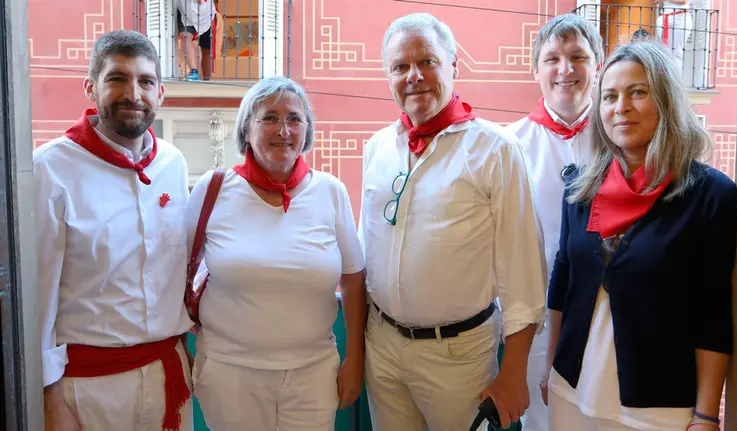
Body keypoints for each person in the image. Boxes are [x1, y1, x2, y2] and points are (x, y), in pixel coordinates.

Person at [359, 12, 547, 431]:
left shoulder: (496, 149)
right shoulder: (377, 148)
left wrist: (514, 372)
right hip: (383, 349)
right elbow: (365, 250)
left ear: (453, 66)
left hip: (458, 358)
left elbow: (524, 271)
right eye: (400, 66)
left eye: (427, 62)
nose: (414, 76)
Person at [546, 41, 736, 431]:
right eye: (610, 96)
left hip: (657, 407)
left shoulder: (709, 195)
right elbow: (561, 281)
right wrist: (552, 368)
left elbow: (713, 311)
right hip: (572, 390)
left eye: (638, 92)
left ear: (665, 99)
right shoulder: (579, 188)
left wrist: (705, 414)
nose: (621, 107)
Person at [186, 76, 367, 430]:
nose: (283, 129)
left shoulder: (331, 192)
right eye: (269, 118)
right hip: (229, 374)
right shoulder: (214, 188)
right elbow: (176, 271)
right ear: (246, 130)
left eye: (294, 118)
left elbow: (353, 277)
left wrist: (355, 360)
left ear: (307, 129)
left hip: (312, 375)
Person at [35, 30, 194, 431]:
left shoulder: (172, 164)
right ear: (91, 87)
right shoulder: (50, 168)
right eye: (117, 79)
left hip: (165, 377)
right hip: (86, 388)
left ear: (161, 94)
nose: (133, 93)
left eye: (145, 81)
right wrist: (48, 395)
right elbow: (36, 293)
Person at [504, 13, 604, 431]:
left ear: (597, 66)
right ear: (536, 71)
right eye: (553, 59)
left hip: (604, 320)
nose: (566, 69)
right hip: (534, 324)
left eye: (578, 56)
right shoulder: (507, 145)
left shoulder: (617, 142)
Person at [176, 0, 216, 80]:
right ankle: (193, 71)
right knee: (185, 36)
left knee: (206, 49)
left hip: (206, 14)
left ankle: (206, 80)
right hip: (186, 12)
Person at [654, 0, 693, 70]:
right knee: (663, 51)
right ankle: (665, 77)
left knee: (676, 52)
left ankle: (675, 79)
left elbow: (684, 1)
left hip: (680, 17)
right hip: (664, 16)